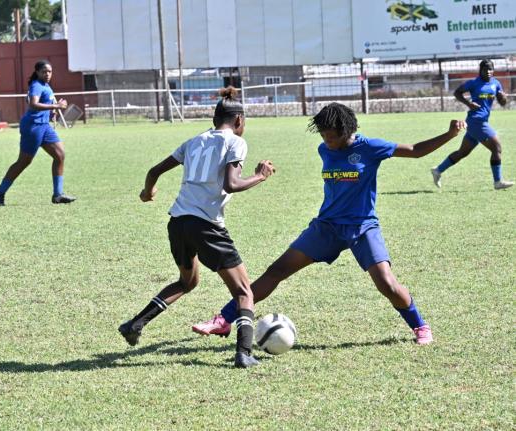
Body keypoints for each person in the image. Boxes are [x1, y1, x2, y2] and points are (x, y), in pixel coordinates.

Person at [193, 102, 467, 346]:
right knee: (276, 271)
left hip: (361, 226)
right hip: (326, 227)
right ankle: (225, 319)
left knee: (386, 283)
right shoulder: (324, 149)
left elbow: (416, 151)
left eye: (332, 136)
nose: (327, 141)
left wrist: (450, 135)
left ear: (347, 131)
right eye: (323, 135)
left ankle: (420, 325)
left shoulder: (370, 148)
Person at [118, 87, 276, 368]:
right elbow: (232, 184)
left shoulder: (193, 141)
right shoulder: (236, 142)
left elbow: (154, 171)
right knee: (243, 292)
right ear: (239, 120)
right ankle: (244, 353)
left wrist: (147, 192)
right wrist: (260, 176)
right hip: (206, 227)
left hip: (178, 223)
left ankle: (134, 324)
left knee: (187, 282)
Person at [0, 60, 75, 205]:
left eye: (49, 71)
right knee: (24, 162)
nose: (47, 74)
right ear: (37, 72)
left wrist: (51, 111)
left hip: (44, 126)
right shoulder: (36, 85)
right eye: (44, 71)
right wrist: (56, 105)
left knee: (60, 155)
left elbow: (37, 101)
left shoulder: (45, 85)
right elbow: (33, 103)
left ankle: (58, 195)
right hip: (33, 127)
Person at [431, 59, 513, 190]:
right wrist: (468, 104)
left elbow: (502, 102)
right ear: (480, 70)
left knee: (462, 152)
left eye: (491, 69)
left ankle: (437, 170)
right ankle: (498, 182)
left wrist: (503, 98)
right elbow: (457, 92)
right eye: (485, 69)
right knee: (497, 148)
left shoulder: (496, 84)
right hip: (476, 121)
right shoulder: (474, 83)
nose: (488, 72)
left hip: (480, 122)